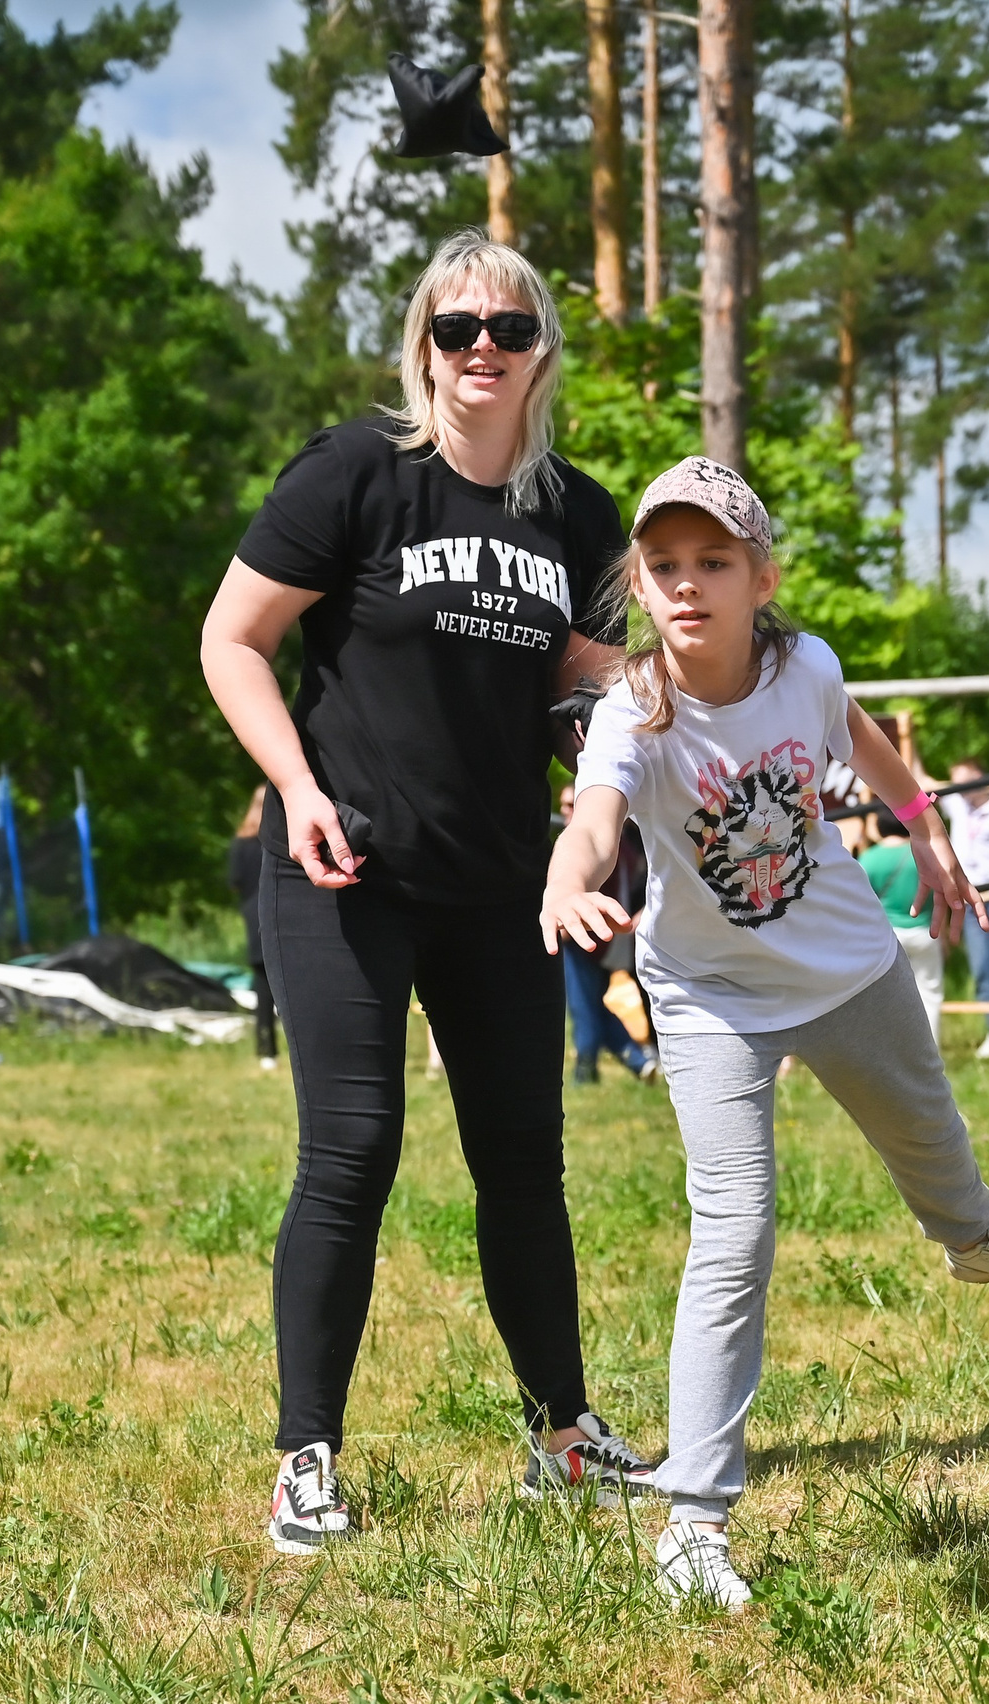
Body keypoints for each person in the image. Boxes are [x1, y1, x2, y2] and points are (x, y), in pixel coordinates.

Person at [543, 457, 989, 1610]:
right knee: (731, 1236)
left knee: (933, 1146)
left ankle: (975, 1234)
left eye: (714, 563)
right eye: (665, 567)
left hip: (848, 969)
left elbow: (861, 739)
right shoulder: (633, 711)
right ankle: (693, 1525)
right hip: (706, 996)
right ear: (638, 589)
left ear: (760, 577)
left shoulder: (803, 667)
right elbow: (595, 816)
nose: (688, 585)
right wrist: (565, 880)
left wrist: (927, 831)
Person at [199, 229, 655, 1556]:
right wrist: (295, 785)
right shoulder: (359, 473)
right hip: (347, 869)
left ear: (540, 354)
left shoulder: (575, 511)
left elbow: (585, 689)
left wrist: (607, 786)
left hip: (501, 881)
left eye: (508, 331)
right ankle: (305, 1459)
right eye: (457, 330)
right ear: (425, 347)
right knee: (352, 1152)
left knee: (526, 1161)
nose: (482, 353)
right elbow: (234, 641)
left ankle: (564, 1439)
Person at [555, 784, 657, 1083]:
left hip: (591, 937)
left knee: (583, 1006)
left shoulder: (606, 846)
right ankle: (639, 1061)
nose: (566, 812)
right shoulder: (619, 845)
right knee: (591, 1004)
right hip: (598, 938)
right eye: (564, 806)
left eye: (573, 804)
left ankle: (586, 1072)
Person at [940, 761, 989, 1058]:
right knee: (982, 968)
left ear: (982, 779)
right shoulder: (959, 807)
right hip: (969, 900)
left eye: (965, 783)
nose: (960, 791)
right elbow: (919, 778)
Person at [859, 805, 946, 1045]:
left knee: (886, 998)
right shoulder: (923, 854)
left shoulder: (869, 858)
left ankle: (892, 1049)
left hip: (888, 936)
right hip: (925, 931)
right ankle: (931, 1049)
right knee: (929, 994)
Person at [227, 785, 279, 1070]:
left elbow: (234, 882)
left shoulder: (240, 844)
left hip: (252, 915)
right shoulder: (277, 842)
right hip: (279, 912)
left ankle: (266, 1051)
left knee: (262, 988)